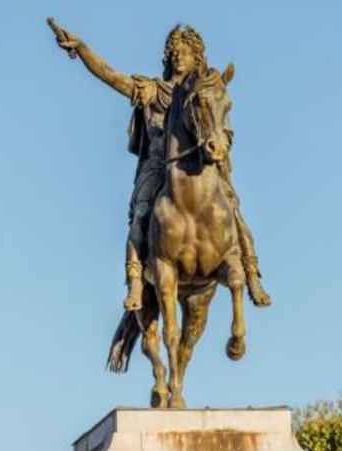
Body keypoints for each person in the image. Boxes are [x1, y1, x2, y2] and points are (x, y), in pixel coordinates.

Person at [49, 21, 272, 311]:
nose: (179, 56)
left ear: (197, 58)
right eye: (174, 52)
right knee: (142, 212)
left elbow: (223, 129)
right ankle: (135, 281)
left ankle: (251, 272)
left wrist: (219, 146)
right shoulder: (152, 90)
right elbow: (111, 76)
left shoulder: (205, 93)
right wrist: (82, 49)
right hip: (158, 165)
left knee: (232, 207)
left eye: (186, 52)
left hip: (200, 167)